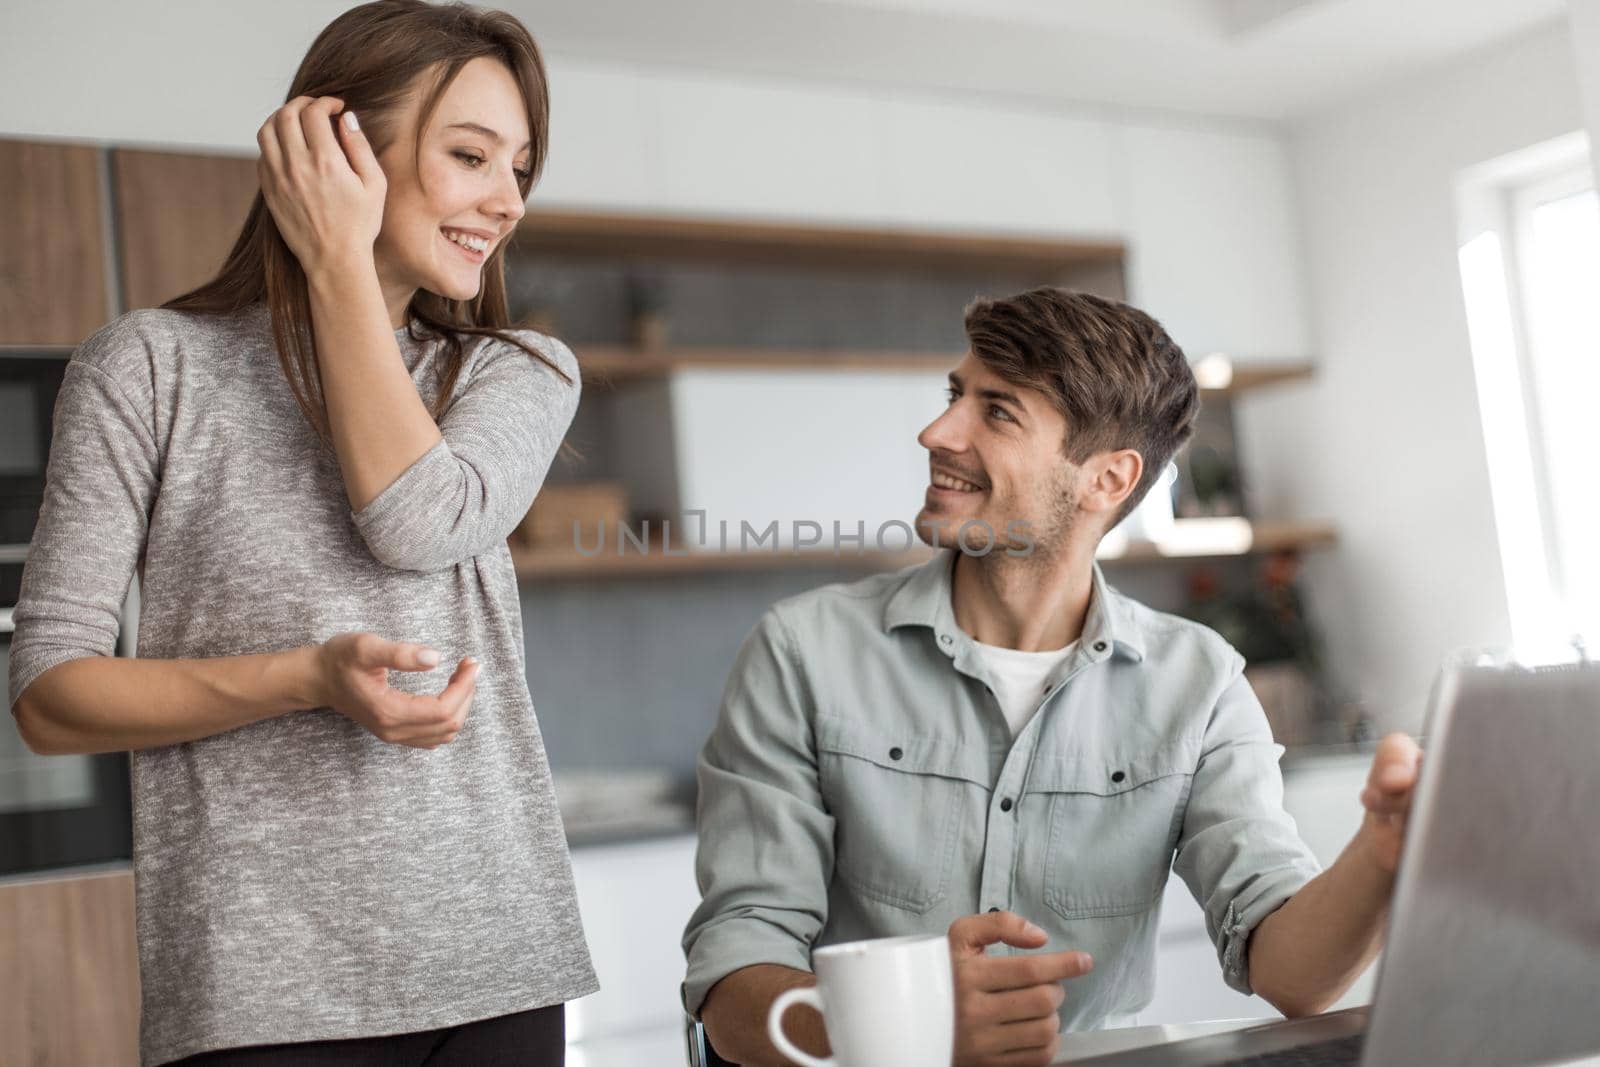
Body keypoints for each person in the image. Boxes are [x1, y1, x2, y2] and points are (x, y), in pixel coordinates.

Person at [7, 2, 597, 1063]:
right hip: (261, 988)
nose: (505, 200)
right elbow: (50, 694)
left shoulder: (515, 370)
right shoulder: (149, 366)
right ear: (335, 147)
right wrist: (308, 677)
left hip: (499, 958)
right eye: (470, 155)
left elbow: (416, 519)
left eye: (521, 167)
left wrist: (337, 272)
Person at [682, 288, 1423, 1067]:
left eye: (996, 412)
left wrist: (1381, 852)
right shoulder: (803, 652)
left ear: (1106, 479)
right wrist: (912, 1025)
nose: (937, 432)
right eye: (954, 395)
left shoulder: (1196, 684)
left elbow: (1291, 972)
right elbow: (733, 983)